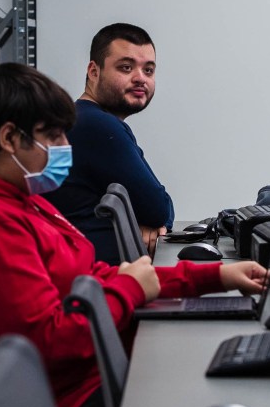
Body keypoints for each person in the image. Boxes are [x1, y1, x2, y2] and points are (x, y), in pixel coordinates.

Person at [0, 62, 268, 407]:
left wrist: (216, 277)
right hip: (71, 399)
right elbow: (47, 342)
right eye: (53, 136)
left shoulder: (18, 202)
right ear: (10, 139)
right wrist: (129, 289)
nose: (66, 148)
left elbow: (96, 276)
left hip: (92, 374)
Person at [44, 22, 173, 264]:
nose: (140, 78)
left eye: (149, 70)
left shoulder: (82, 118)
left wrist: (154, 219)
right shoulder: (96, 125)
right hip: (93, 281)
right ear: (94, 71)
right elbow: (159, 207)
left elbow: (155, 209)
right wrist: (153, 220)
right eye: (126, 68)